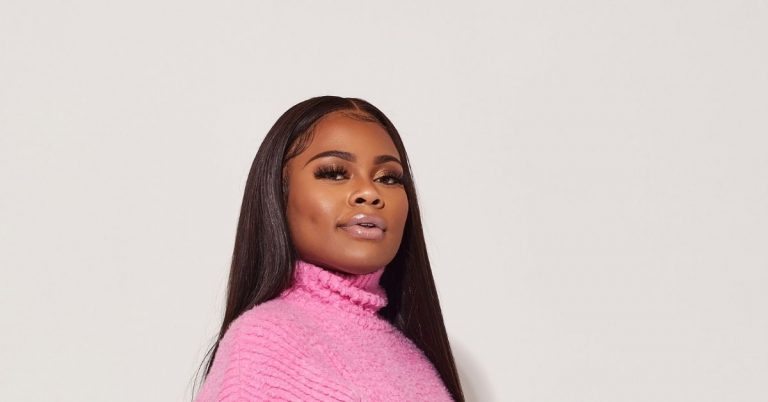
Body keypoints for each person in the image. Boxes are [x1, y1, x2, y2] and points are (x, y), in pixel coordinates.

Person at [192, 96, 464, 401]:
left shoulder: (414, 356)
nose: (369, 192)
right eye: (334, 173)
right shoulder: (264, 341)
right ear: (279, 196)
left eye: (388, 178)